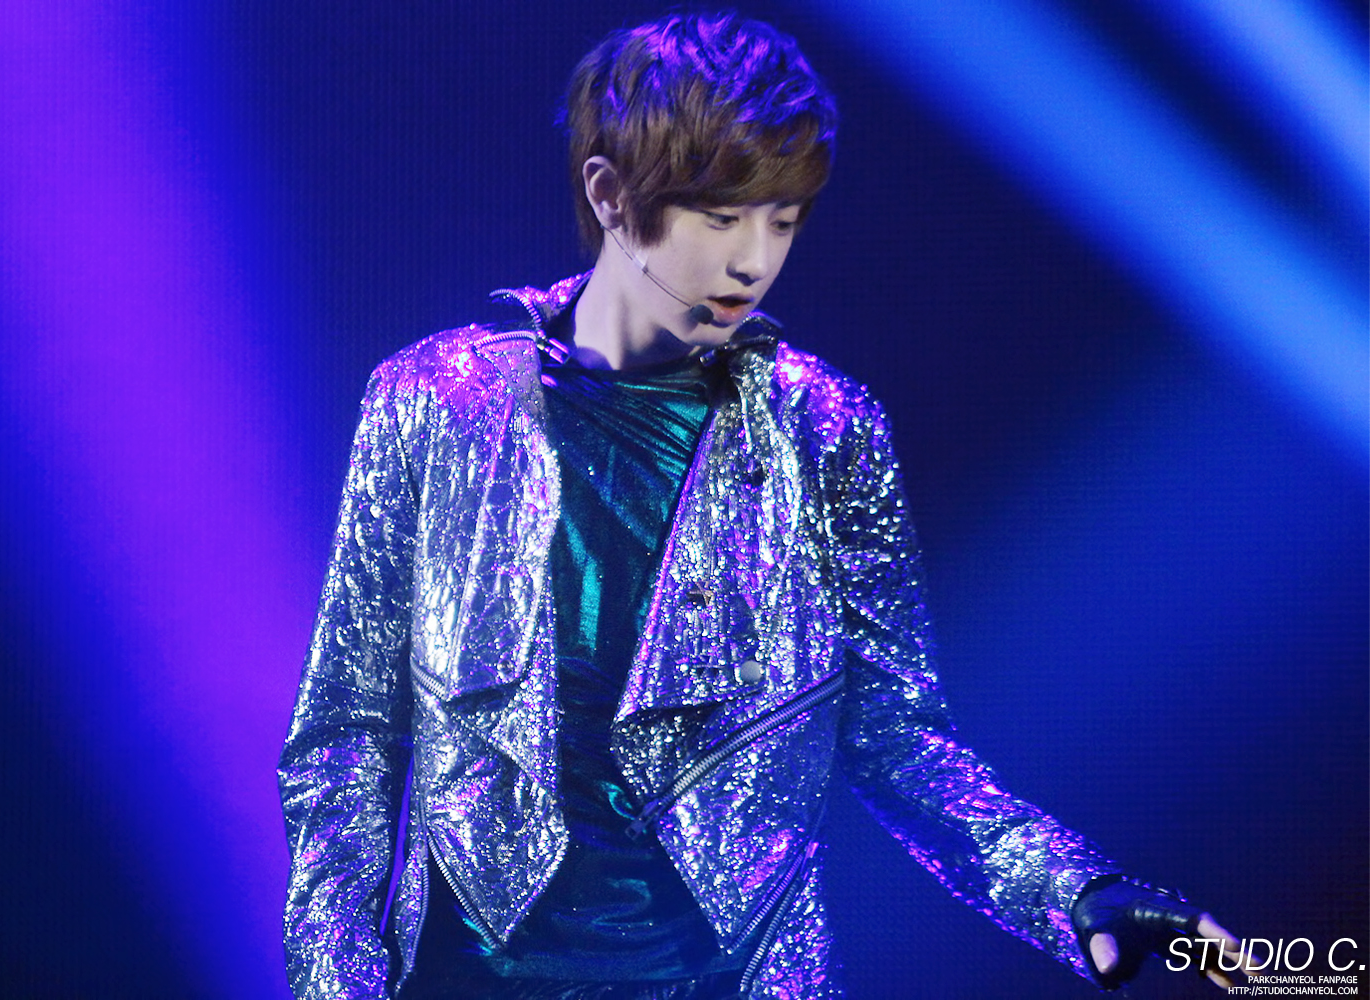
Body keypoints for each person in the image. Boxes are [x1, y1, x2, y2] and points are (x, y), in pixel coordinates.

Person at [279, 12, 1245, 999]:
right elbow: (345, 736)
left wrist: (1073, 889)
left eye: (782, 220)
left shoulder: (821, 429)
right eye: (721, 217)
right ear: (609, 194)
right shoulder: (437, 404)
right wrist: (334, 981)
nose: (755, 260)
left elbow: (895, 736)